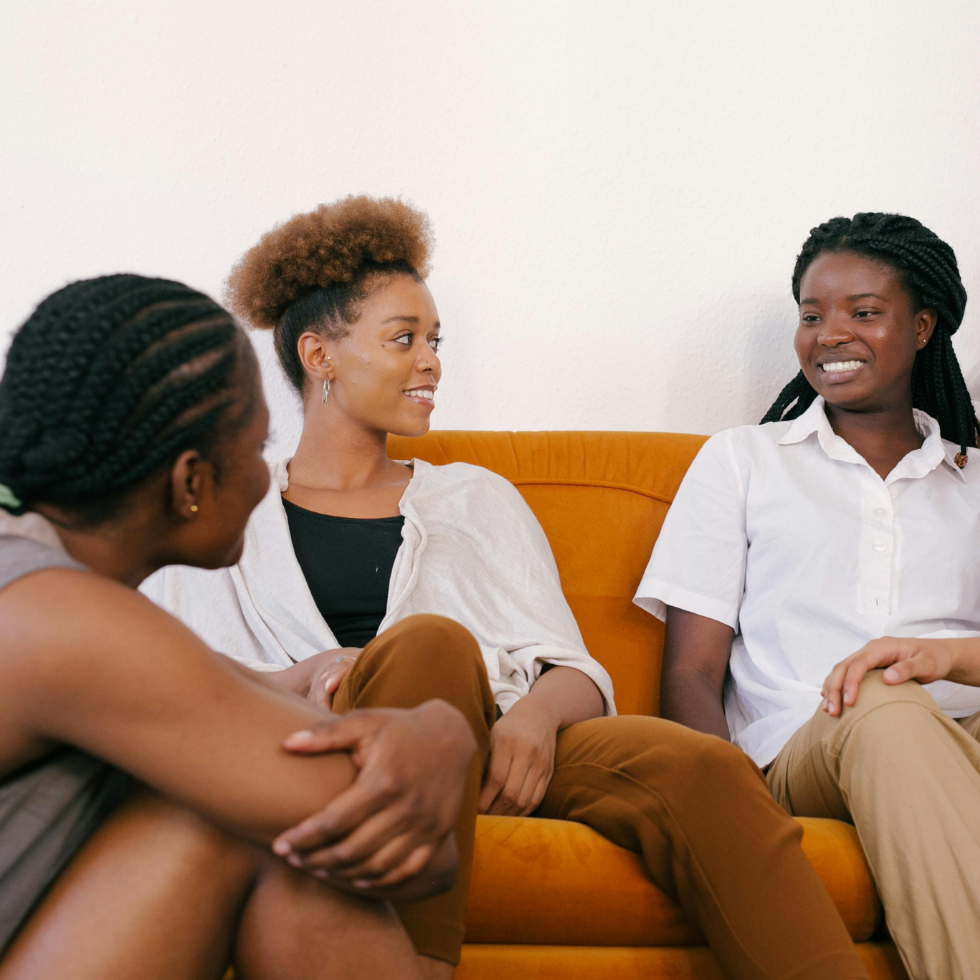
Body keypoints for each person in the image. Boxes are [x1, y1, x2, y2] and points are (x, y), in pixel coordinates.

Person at [145, 195, 869, 980]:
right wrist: (299, 676)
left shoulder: (475, 497)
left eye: (434, 341)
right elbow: (166, 677)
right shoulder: (231, 508)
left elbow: (574, 668)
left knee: (695, 764)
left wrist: (530, 718)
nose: (431, 363)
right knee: (429, 643)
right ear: (319, 355)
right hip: (331, 744)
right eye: (403, 340)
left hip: (501, 741)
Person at [0, 273, 486, 980]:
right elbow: (420, 857)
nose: (270, 478)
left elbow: (221, 690)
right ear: (191, 483)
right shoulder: (61, 619)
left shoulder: (39, 580)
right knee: (264, 834)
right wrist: (443, 729)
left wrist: (327, 694)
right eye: (259, 449)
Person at [636, 212, 980, 980]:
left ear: (923, 327)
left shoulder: (975, 481)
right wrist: (726, 803)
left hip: (962, 735)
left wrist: (940, 656)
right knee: (883, 701)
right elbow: (691, 673)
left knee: (901, 702)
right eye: (812, 315)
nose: (830, 334)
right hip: (810, 747)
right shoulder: (743, 461)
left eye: (864, 313)